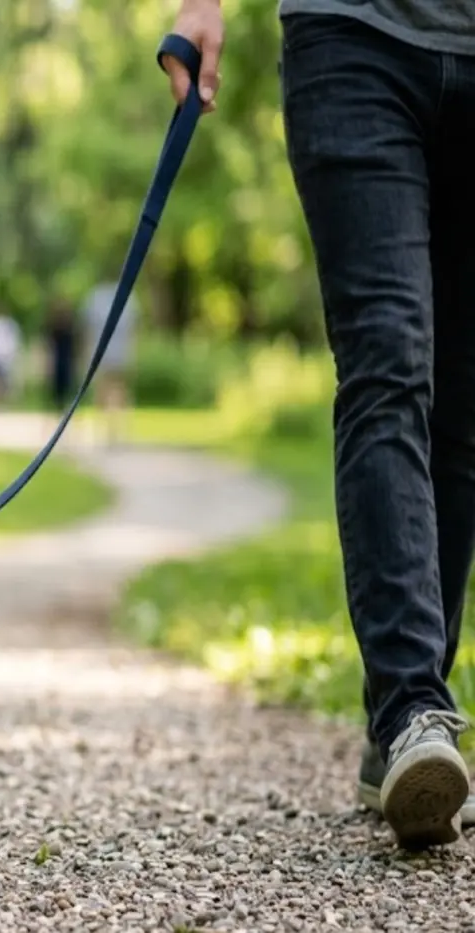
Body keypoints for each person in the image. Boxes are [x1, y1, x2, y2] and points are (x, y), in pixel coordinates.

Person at [165, 0, 475, 850]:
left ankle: (403, 728)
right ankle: (413, 705)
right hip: (354, 39)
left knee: (460, 409)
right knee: (388, 365)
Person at [79, 279, 137, 445]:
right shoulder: (126, 296)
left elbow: (88, 330)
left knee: (112, 391)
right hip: (110, 353)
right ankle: (110, 430)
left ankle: (112, 430)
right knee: (110, 391)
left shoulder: (97, 297)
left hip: (110, 353)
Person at [45, 297, 79, 413]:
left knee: (68, 392)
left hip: (67, 363)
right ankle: (58, 413)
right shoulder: (54, 328)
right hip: (58, 364)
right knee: (57, 395)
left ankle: (64, 412)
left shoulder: (71, 328)